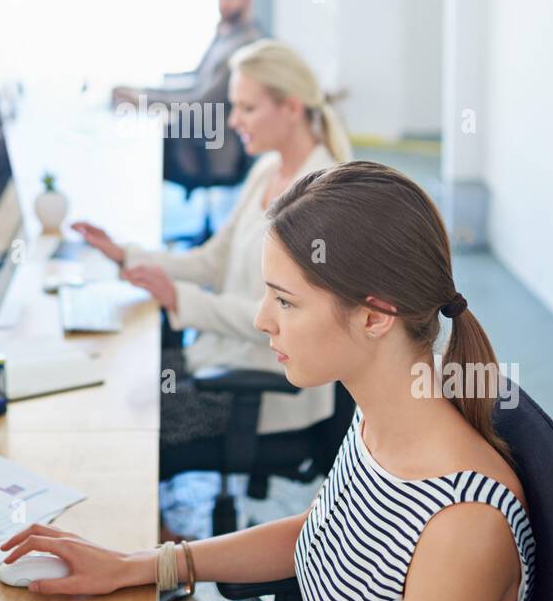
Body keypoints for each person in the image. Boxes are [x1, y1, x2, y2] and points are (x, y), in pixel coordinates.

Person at [0, 161, 535, 601]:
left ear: (376, 316)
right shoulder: (382, 414)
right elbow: (324, 534)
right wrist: (145, 565)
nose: (262, 319)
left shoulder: (464, 528)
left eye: (286, 301)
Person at [73, 40, 353, 524]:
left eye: (247, 108)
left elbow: (284, 321)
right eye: (233, 107)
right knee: (117, 384)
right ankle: (159, 557)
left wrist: (178, 298)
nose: (233, 121)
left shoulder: (321, 197)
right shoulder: (269, 168)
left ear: (291, 107)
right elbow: (213, 258)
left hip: (263, 390)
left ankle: (164, 577)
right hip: (223, 356)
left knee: (132, 433)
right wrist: (128, 254)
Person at [113, 0, 262, 191]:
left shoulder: (246, 47)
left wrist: (141, 100)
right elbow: (196, 79)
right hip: (199, 132)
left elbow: (202, 101)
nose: (223, 2)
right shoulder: (224, 36)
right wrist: (141, 90)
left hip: (212, 144)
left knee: (133, 151)